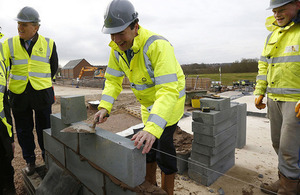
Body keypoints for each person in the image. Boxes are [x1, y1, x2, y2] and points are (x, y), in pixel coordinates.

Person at [94, 0, 185, 194]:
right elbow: (112, 80)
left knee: (164, 149)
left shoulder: (158, 46)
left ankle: (168, 191)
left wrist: (153, 128)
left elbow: (168, 91)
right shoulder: (117, 49)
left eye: (121, 33)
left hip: (169, 104)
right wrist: (104, 106)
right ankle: (150, 186)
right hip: (148, 106)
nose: (116, 39)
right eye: (112, 33)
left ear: (135, 26)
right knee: (147, 148)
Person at [3, 6, 58, 176]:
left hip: (41, 94)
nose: (20, 28)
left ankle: (47, 158)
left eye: (24, 25)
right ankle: (30, 161)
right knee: (23, 130)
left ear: (36, 27)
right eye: (19, 24)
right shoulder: (8, 44)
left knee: (45, 129)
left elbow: (53, 67)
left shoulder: (49, 43)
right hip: (19, 95)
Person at [254, 0, 300, 194]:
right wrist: (259, 91)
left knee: (290, 150)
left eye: (282, 10)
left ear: (297, 4)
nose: (277, 15)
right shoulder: (272, 35)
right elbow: (264, 65)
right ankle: (284, 181)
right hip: (274, 99)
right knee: (277, 144)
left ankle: (289, 189)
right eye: (275, 11)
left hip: (295, 101)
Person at [0, 27, 15, 195]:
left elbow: (3, 93)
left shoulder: (3, 49)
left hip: (2, 120)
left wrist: (10, 136)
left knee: (6, 159)